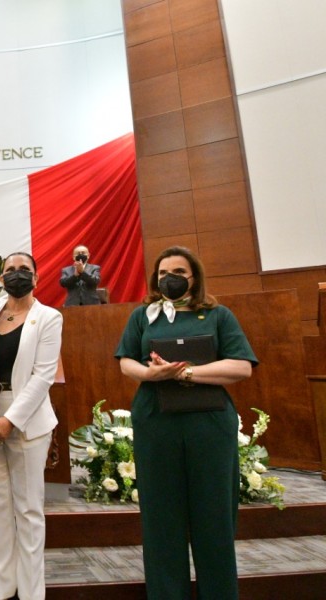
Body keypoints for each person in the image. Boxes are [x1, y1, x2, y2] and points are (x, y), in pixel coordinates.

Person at [114, 246, 257, 600]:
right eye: (163, 273)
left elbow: (242, 366)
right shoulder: (143, 316)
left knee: (215, 519)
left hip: (209, 426)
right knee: (161, 520)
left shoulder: (218, 315)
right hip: (156, 425)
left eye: (178, 272)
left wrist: (186, 372)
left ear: (194, 277)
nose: (170, 278)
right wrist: (151, 373)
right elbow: (125, 361)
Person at [0, 252, 63, 600]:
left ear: (36, 278)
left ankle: (31, 594)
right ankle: (2, 591)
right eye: (10, 270)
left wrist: (11, 419)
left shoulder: (49, 317)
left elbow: (43, 376)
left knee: (28, 510)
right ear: (0, 278)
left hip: (27, 418)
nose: (17, 274)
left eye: (25, 269)